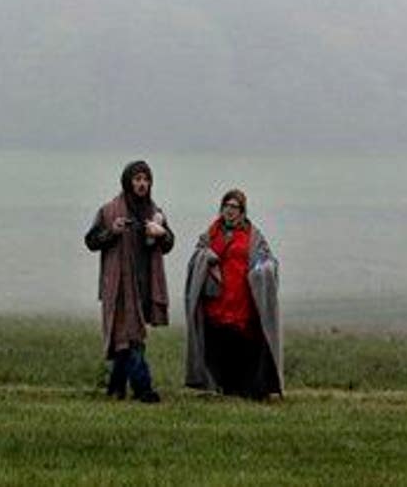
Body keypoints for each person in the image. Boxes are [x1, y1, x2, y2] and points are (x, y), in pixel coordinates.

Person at [84, 160, 174, 402]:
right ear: (127, 182)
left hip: (145, 284)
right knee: (133, 337)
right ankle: (144, 389)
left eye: (146, 179)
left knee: (126, 337)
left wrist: (162, 232)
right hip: (120, 286)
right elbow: (91, 241)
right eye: (137, 179)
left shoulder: (155, 212)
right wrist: (112, 231)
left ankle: (115, 388)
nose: (142, 184)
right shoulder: (108, 211)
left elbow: (168, 244)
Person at [184, 189, 283, 399]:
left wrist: (263, 269)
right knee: (218, 346)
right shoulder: (211, 233)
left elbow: (268, 260)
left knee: (243, 347)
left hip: (242, 301)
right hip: (216, 302)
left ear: (242, 211)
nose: (229, 211)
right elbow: (197, 256)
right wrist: (205, 257)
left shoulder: (254, 237)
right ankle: (219, 386)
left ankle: (247, 389)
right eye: (226, 206)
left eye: (234, 207)